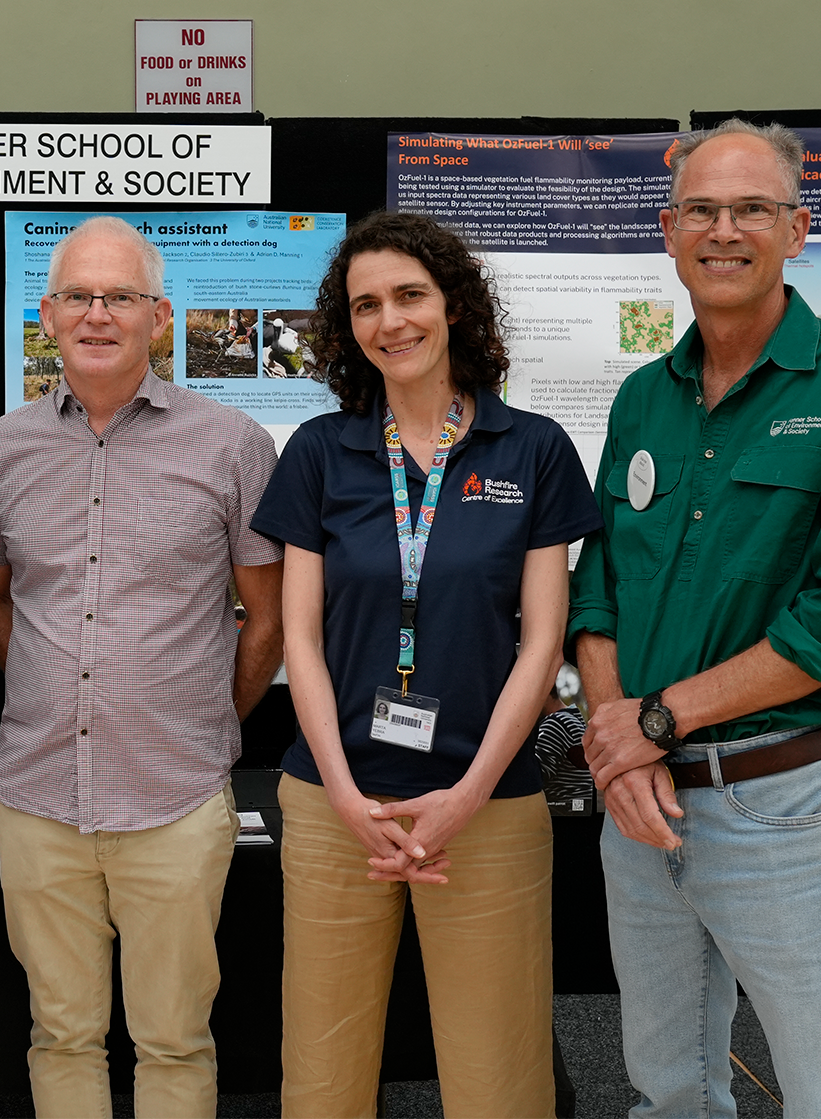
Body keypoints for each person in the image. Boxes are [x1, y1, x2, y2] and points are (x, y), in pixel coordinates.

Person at [572, 119, 821, 1118]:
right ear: (668, 227)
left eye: (751, 210)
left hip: (776, 805)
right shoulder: (644, 402)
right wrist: (623, 743)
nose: (722, 230)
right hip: (642, 810)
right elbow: (597, 588)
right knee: (667, 1086)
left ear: (798, 229)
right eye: (701, 209)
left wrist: (651, 722)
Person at [248, 211, 599, 1118]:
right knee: (323, 1081)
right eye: (367, 304)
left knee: (499, 1079)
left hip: (487, 805)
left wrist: (469, 793)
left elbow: (542, 645)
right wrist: (346, 795)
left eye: (410, 295)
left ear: (454, 306)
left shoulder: (533, 450)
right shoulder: (322, 453)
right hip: (337, 806)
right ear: (347, 327)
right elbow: (301, 643)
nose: (390, 321)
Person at [0, 215, 285, 1119]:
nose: (98, 313)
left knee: (175, 1040)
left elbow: (271, 611)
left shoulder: (233, 446)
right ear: (47, 314)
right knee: (59, 1035)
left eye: (121, 296)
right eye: (78, 296)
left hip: (175, 797)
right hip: (37, 797)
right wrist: (47, 687)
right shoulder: (0, 449)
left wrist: (209, 720)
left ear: (160, 316)